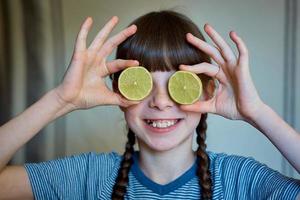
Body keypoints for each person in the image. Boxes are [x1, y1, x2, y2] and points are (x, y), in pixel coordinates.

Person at [0, 10, 299, 200]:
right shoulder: (89, 177)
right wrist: (59, 100)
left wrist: (256, 112)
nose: (159, 101)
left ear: (208, 92)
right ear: (119, 93)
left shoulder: (239, 181)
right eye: (141, 83)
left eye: (178, 84)